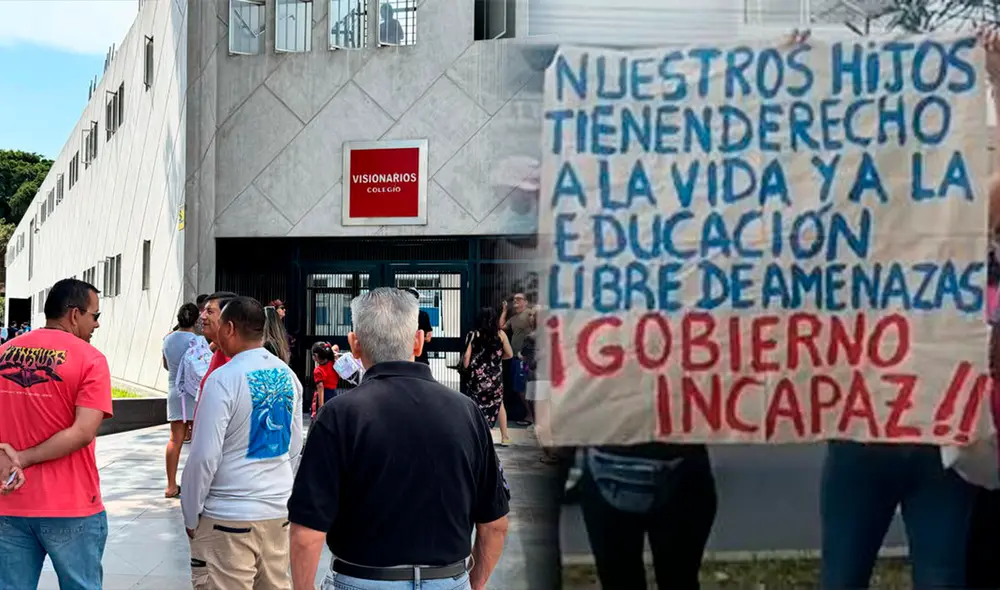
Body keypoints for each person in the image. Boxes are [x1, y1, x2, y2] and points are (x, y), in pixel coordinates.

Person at [288, 287, 509, 590]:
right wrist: (473, 584)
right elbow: (495, 524)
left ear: (354, 344)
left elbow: (306, 532)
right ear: (418, 341)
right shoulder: (467, 412)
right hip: (446, 580)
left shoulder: (338, 415)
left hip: (361, 580)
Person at [181, 296, 304, 590]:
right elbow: (295, 446)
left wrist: (191, 510)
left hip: (228, 517)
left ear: (230, 328)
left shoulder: (223, 379)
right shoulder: (288, 376)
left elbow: (204, 456)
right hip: (276, 513)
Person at [0, 278, 112, 590]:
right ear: (75, 315)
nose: (97, 325)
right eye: (95, 316)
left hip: (8, 502)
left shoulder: (3, 352)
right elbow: (82, 432)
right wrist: (22, 457)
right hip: (71, 504)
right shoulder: (91, 359)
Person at [162, 303, 201, 498]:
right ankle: (195, 484)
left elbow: (166, 366)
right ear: (196, 320)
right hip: (194, 392)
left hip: (175, 391)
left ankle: (170, 485)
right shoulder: (197, 341)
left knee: (174, 439)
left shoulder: (167, 340)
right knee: (198, 440)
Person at [465, 306, 513, 446]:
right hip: (495, 377)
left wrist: (469, 367)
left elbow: (467, 358)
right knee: (499, 404)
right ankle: (505, 437)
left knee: (475, 404)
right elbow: (509, 354)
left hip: (477, 378)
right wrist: (495, 361)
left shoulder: (473, 335)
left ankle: (476, 435)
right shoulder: (501, 334)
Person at [192, 291, 237, 424]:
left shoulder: (236, 363)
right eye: (203, 311)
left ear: (228, 321)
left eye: (209, 312)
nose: (202, 316)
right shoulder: (218, 354)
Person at [499, 293, 533, 426]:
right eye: (514, 300)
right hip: (514, 357)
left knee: (524, 387)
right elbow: (501, 327)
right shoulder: (513, 319)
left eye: (519, 299)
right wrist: (505, 311)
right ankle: (528, 413)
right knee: (518, 387)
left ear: (526, 301)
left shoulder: (530, 314)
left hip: (526, 358)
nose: (516, 302)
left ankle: (531, 415)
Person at [310, 342, 339, 418]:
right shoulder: (333, 363)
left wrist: (321, 408)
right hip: (334, 394)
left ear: (316, 356)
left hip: (324, 396)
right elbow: (336, 346)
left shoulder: (318, 370)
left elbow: (320, 388)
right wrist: (328, 352)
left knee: (320, 419)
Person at [405, 287, 433, 365]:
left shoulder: (399, 316)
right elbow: (428, 338)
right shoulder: (423, 315)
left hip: (402, 357)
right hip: (420, 356)